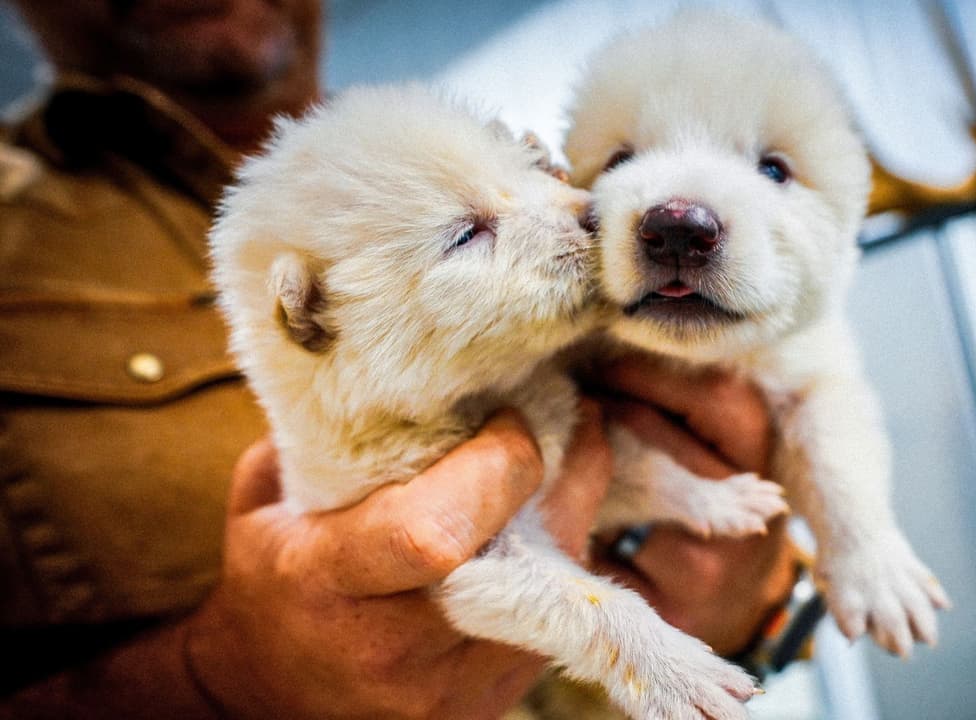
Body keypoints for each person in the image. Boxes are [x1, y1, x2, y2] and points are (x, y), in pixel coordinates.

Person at [0, 1, 798, 717]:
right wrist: (218, 682)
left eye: (531, 174)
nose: (587, 213)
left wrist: (757, 607)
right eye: (465, 235)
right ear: (312, 314)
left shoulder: (431, 134)